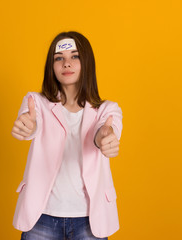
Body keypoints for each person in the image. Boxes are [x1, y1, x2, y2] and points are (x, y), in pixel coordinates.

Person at [11, 31, 123, 240]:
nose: (67, 63)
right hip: (41, 217)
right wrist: (28, 126)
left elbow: (105, 130)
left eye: (75, 56)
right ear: (51, 66)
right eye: (59, 58)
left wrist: (104, 137)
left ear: (87, 62)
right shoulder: (35, 102)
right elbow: (32, 122)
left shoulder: (108, 109)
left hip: (90, 220)